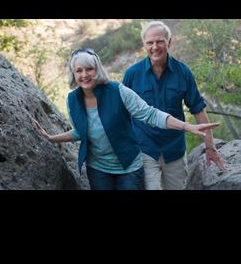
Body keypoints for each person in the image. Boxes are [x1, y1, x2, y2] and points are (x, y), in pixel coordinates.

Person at [34, 47, 220, 190]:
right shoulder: (73, 100)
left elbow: (150, 114)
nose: (84, 75)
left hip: (129, 167)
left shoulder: (118, 91)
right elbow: (81, 131)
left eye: (89, 69)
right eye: (79, 70)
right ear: (73, 74)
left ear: (97, 69)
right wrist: (52, 138)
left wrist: (186, 126)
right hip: (98, 169)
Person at [122, 20, 226, 190]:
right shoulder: (132, 74)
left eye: (160, 41)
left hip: (175, 151)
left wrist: (210, 146)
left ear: (169, 42)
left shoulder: (183, 72)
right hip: (144, 149)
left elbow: (198, 110)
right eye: (150, 42)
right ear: (144, 45)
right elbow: (122, 113)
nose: (155, 47)